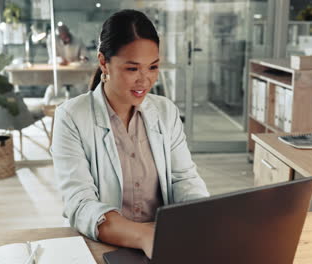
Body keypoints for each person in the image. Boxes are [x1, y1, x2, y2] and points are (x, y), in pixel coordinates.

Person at [51, 9, 209, 259]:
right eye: (132, 69)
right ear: (104, 62)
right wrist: (144, 236)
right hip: (106, 244)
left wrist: (201, 216)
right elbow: (80, 205)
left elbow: (184, 180)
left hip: (164, 242)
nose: (145, 81)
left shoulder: (165, 112)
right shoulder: (71, 117)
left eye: (153, 67)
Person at [43, 24, 89, 105]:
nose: (65, 37)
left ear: (68, 32)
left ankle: (88, 106)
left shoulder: (77, 40)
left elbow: (85, 54)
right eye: (62, 35)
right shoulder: (52, 40)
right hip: (59, 73)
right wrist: (60, 60)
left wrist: (84, 57)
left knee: (84, 88)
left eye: (66, 34)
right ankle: (45, 106)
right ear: (59, 35)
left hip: (75, 72)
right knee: (52, 89)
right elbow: (51, 58)